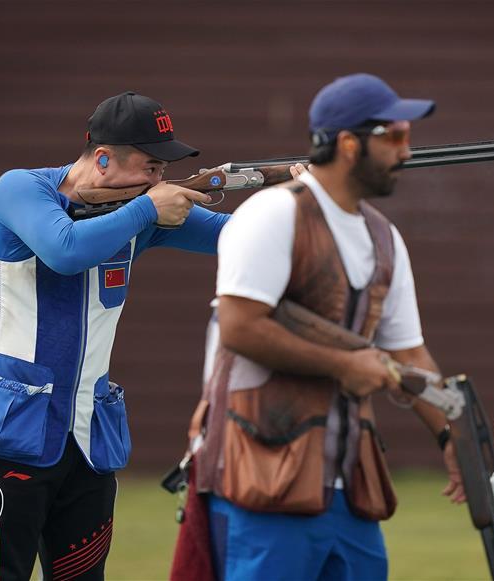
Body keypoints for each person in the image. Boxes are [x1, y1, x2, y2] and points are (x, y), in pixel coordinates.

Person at [0, 91, 234, 580]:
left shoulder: (139, 210)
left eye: (162, 170)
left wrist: (306, 201)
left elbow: (233, 234)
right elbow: (64, 251)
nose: (158, 181)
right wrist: (147, 209)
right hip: (13, 432)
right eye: (150, 166)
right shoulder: (20, 190)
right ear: (103, 158)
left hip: (90, 438)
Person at [181, 73, 466, 581]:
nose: (407, 152)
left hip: (348, 484)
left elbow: (410, 354)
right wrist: (345, 364)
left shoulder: (384, 237)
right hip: (261, 478)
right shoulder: (272, 213)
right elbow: (240, 327)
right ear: (351, 145)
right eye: (395, 137)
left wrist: (453, 440)